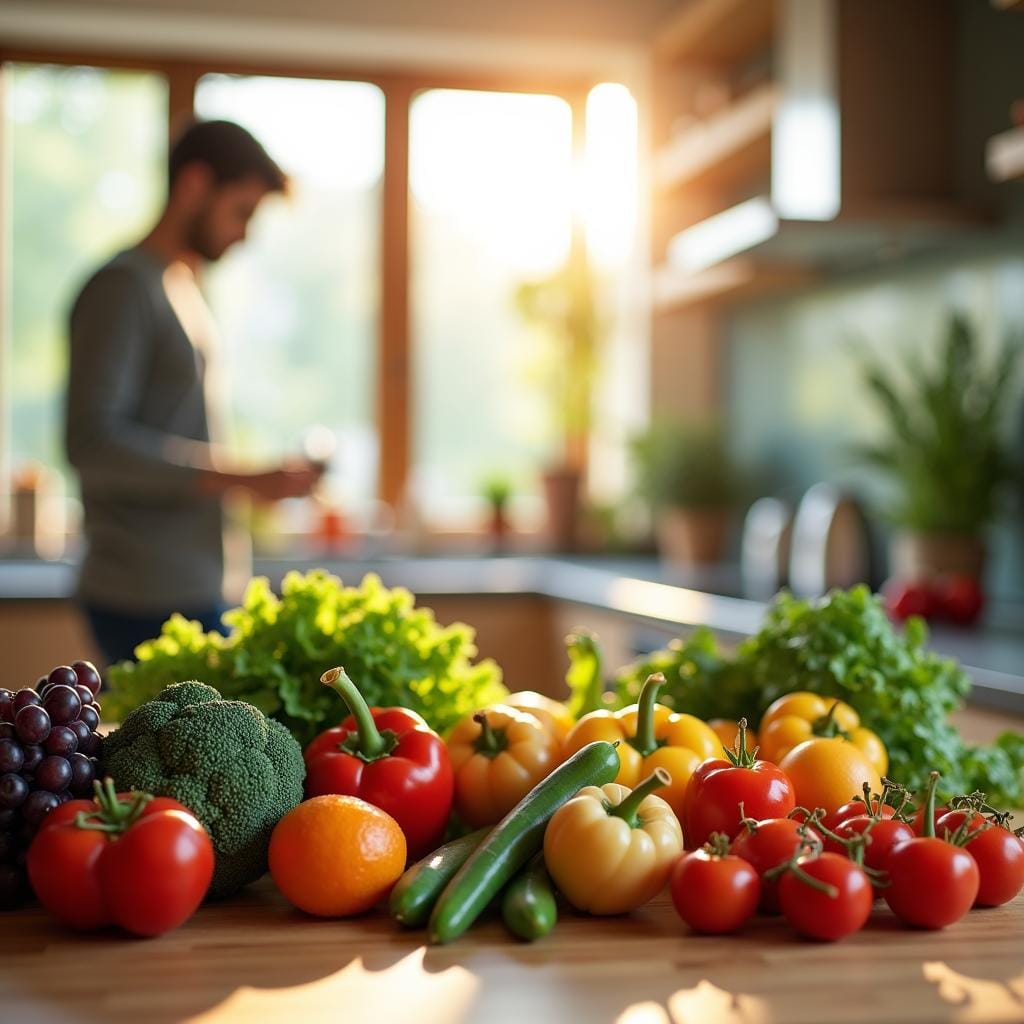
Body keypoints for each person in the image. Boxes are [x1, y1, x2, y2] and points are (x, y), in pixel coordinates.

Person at [65, 119, 323, 666]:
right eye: (242, 211)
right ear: (194, 185)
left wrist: (251, 483)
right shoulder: (123, 287)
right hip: (145, 593)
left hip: (191, 586)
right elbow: (92, 442)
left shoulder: (181, 288)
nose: (246, 232)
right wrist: (240, 477)